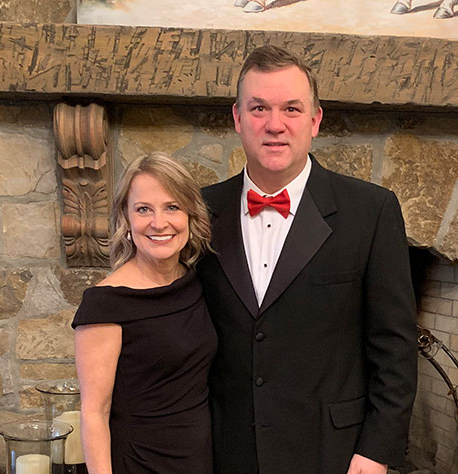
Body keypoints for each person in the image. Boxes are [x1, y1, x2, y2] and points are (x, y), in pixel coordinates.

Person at [197, 45, 418, 474]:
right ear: (238, 119)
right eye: (259, 108)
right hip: (225, 453)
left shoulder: (370, 211)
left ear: (315, 120)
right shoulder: (199, 212)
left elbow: (395, 348)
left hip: (334, 455)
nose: (274, 124)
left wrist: (376, 453)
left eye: (291, 109)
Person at [73, 152, 217, 474]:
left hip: (198, 458)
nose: (159, 223)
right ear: (126, 219)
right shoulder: (105, 303)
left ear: (190, 216)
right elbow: (94, 413)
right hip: (139, 463)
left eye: (172, 207)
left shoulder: (194, 281)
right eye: (143, 210)